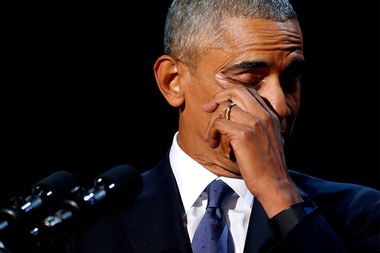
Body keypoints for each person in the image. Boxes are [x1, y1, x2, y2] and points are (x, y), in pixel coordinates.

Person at [64, 0, 380, 252]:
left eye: (291, 79)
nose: (280, 107)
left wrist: (278, 193)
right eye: (249, 80)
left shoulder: (361, 213)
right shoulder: (89, 221)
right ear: (172, 81)